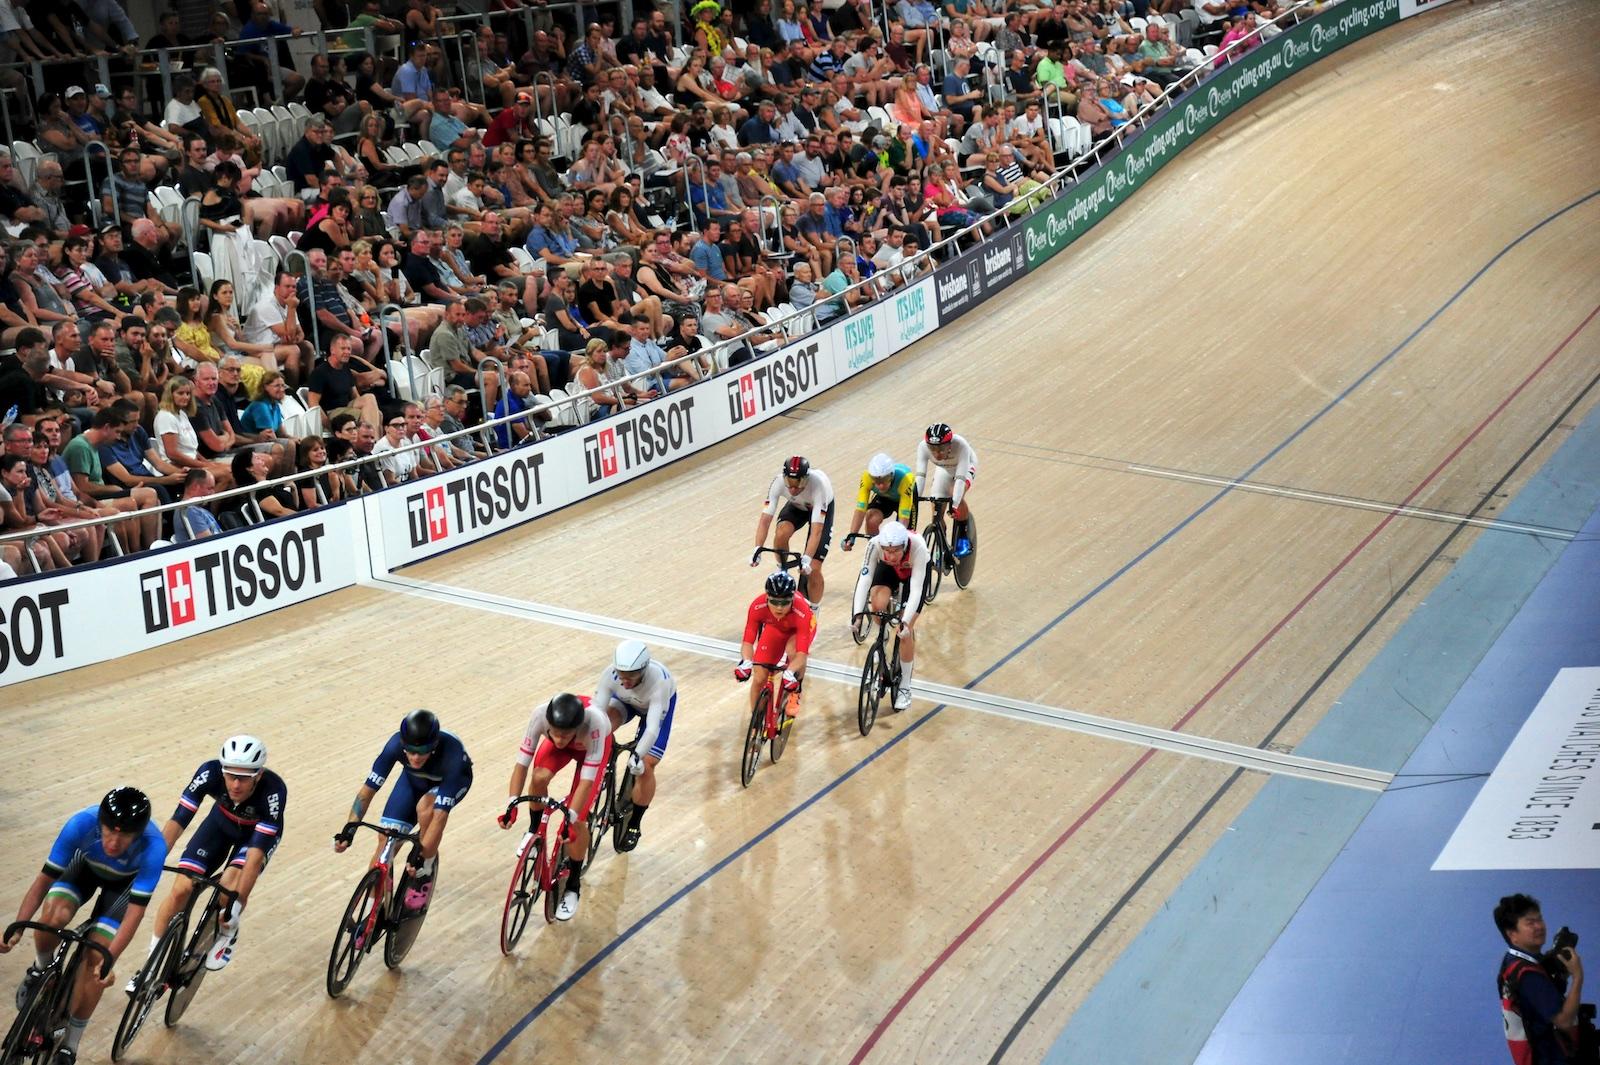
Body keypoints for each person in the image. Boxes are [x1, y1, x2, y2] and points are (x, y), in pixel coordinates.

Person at [0, 789, 165, 1065]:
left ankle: (70, 1044)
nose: (113, 842)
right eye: (108, 832)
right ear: (100, 823)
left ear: (137, 834)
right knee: (52, 917)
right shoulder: (81, 823)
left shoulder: (154, 846)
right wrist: (17, 927)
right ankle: (41, 969)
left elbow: (135, 914)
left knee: (96, 959)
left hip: (123, 888)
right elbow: (43, 881)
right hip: (84, 868)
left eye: (124, 836)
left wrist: (110, 960)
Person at [138, 737, 285, 980]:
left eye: (244, 778)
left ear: (258, 775)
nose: (235, 784)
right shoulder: (209, 772)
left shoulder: (273, 791)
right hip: (220, 825)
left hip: (254, 837)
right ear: (222, 770)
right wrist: (151, 862)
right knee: (181, 890)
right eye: (230, 776)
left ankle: (228, 932)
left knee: (229, 888)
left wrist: (236, 905)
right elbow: (178, 820)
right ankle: (151, 965)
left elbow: (254, 857)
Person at [333, 709, 471, 911]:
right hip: (413, 781)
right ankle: (369, 911)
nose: (415, 757)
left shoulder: (453, 756)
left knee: (426, 809)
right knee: (386, 840)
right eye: (410, 750)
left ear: (433, 746)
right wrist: (350, 828)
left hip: (450, 783)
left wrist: (421, 857)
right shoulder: (394, 746)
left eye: (422, 751)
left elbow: (440, 817)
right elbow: (367, 791)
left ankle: (424, 874)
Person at [497, 693, 612, 921]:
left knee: (577, 821)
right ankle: (533, 830)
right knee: (538, 777)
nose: (559, 740)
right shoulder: (540, 715)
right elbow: (521, 765)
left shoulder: (595, 725)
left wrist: (571, 817)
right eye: (555, 733)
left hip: (590, 750)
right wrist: (512, 804)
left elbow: (586, 782)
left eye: (565, 735)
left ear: (576, 728)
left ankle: (573, 886)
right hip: (570, 745)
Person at [591, 641, 676, 853]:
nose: (625, 680)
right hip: (625, 702)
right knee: (604, 727)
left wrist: (637, 755)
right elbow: (596, 715)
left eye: (631, 675)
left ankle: (635, 824)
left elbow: (653, 728)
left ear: (644, 669)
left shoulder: (658, 682)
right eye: (621, 674)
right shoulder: (610, 675)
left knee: (647, 764)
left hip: (655, 709)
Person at [1495, 893, 1588, 1065]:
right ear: (1512, 934)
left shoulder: (1512, 962)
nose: (1539, 926)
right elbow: (1564, 1021)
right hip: (1550, 1057)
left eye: (1540, 919)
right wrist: (1577, 977)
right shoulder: (1529, 975)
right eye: (1530, 923)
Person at [849, 519, 929, 709]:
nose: (891, 555)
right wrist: (857, 615)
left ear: (904, 546)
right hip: (890, 571)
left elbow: (916, 590)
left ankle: (905, 687)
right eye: (887, 551)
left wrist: (905, 621)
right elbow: (865, 579)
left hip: (913, 576)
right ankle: (882, 635)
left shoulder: (918, 547)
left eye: (895, 551)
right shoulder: (875, 544)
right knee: (877, 603)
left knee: (905, 632)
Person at [750, 455, 835, 607]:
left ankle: (814, 610)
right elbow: (765, 520)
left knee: (814, 568)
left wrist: (807, 559)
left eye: (798, 483)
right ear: (784, 478)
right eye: (790, 482)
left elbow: (816, 531)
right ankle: (782, 569)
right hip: (797, 506)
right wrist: (757, 548)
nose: (793, 488)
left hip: (821, 508)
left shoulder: (818, 486)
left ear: (806, 479)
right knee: (781, 532)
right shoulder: (778, 482)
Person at [734, 570, 816, 720]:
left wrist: (790, 672)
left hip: (799, 629)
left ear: (792, 599)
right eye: (774, 602)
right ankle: (756, 722)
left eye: (784, 603)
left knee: (792, 650)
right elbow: (747, 642)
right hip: (776, 627)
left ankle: (795, 692)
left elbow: (801, 654)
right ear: (767, 598)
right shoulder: (757, 606)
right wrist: (746, 662)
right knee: (759, 678)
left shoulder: (802, 611)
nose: (779, 607)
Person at [915, 423, 977, 557]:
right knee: (936, 510)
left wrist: (954, 504)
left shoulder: (961, 445)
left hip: (965, 467)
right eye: (932, 448)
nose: (937, 453)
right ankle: (941, 545)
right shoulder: (923, 447)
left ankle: (963, 537)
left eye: (941, 449)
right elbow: (920, 476)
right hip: (944, 469)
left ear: (950, 444)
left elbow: (960, 478)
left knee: (955, 493)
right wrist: (915, 497)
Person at [846, 451, 917, 547]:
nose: (880, 485)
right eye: (876, 480)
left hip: (905, 498)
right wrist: (851, 536)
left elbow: (904, 516)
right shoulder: (866, 478)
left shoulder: (905, 480)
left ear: (892, 475)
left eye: (884, 480)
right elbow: (860, 509)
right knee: (871, 519)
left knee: (906, 539)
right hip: (884, 497)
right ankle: (876, 548)